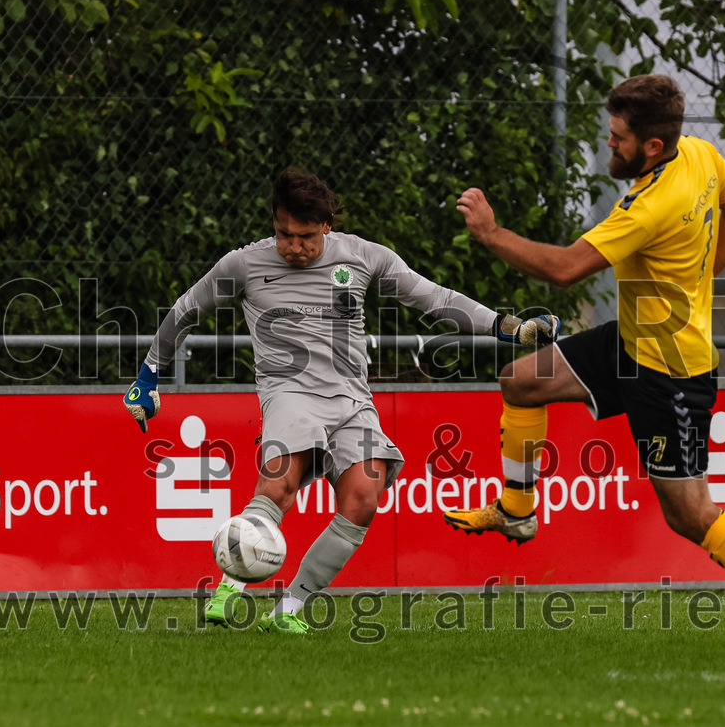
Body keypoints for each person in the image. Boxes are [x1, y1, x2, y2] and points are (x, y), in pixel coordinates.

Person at [442, 74, 725, 658]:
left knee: (689, 514)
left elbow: (566, 268)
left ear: (652, 146)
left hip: (669, 370)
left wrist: (492, 234)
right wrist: (700, 273)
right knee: (521, 381)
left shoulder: (651, 205)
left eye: (618, 138)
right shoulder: (698, 154)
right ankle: (518, 510)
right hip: (631, 340)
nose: (610, 145)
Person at [123, 166, 560, 634]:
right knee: (278, 487)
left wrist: (504, 326)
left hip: (352, 399)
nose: (293, 246)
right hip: (289, 393)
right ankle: (229, 587)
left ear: (327, 224)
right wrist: (148, 377)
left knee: (363, 498)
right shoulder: (244, 265)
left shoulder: (363, 257)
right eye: (283, 234)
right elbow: (186, 310)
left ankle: (288, 609)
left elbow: (433, 298)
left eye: (305, 236)